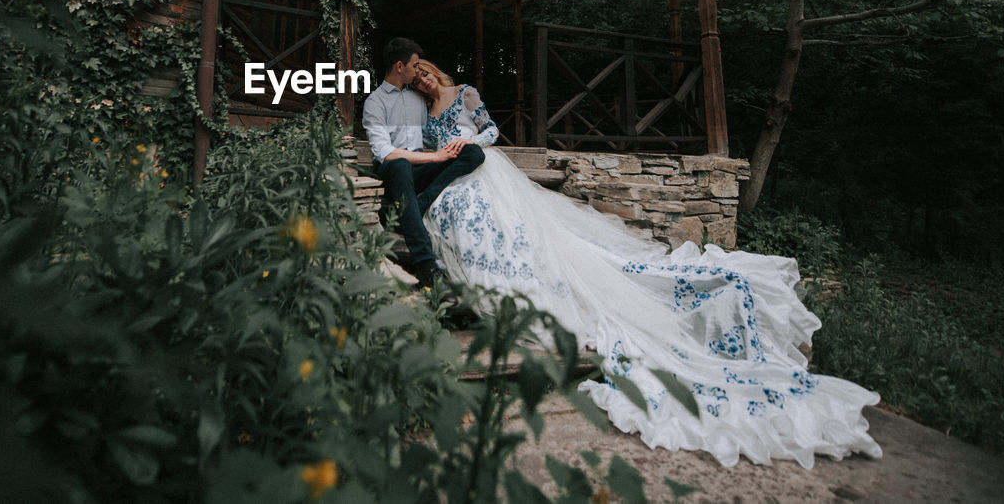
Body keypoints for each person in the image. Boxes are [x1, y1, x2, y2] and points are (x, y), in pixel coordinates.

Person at [408, 60, 883, 469]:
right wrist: (440, 151)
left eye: (428, 72)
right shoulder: (425, 113)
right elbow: (426, 151)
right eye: (419, 79)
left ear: (436, 71)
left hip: (485, 165)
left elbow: (491, 130)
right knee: (458, 215)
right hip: (454, 175)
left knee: (509, 224)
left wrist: (468, 138)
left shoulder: (463, 91)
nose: (426, 81)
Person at [361, 38, 485, 286]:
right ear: (399, 66)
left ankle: (420, 202)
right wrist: (435, 157)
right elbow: (385, 151)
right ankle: (425, 263)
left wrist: (457, 143)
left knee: (473, 153)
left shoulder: (418, 99)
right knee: (400, 164)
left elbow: (433, 134)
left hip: (420, 170)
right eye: (414, 65)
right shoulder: (375, 102)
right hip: (392, 169)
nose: (418, 70)